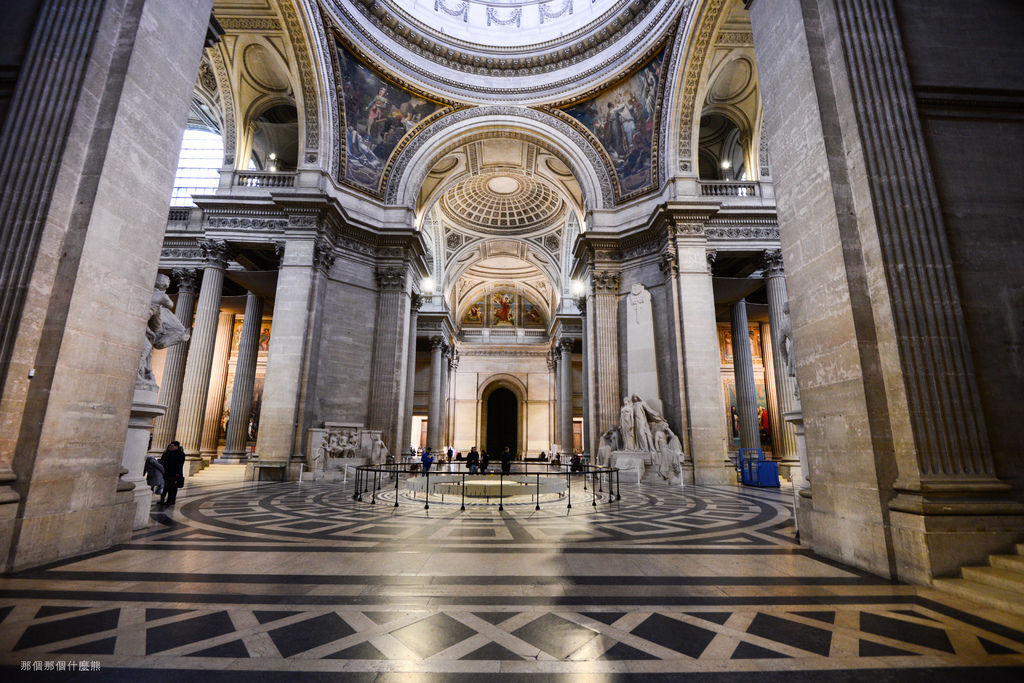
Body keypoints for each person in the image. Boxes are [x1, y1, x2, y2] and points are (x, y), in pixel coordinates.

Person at [158, 441, 185, 505]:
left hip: (174, 474)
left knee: (172, 488)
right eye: (169, 446)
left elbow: (180, 464)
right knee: (164, 487)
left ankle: (171, 500)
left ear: (176, 446)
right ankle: (162, 499)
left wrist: (177, 473)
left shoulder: (180, 454)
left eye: (172, 446)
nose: (170, 447)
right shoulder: (166, 453)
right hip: (166, 473)